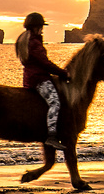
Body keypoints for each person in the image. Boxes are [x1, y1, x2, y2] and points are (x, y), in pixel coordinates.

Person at [15, 12, 67, 148]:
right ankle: (51, 135)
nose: (42, 30)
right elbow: (45, 63)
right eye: (41, 27)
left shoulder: (26, 40)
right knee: (55, 103)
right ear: (36, 28)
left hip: (30, 77)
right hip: (39, 79)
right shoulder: (34, 43)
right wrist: (63, 73)